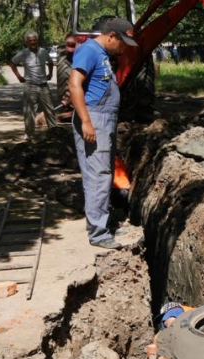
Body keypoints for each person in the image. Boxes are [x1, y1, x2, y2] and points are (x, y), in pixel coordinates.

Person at [68, 17, 137, 250]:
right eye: (123, 42)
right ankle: (98, 233)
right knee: (98, 175)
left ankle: (104, 224)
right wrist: (86, 121)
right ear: (111, 36)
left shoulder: (103, 54)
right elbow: (74, 84)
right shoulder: (89, 50)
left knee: (105, 172)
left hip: (104, 119)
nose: (125, 47)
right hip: (95, 119)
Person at [10, 31, 57, 142]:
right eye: (30, 41)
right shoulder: (23, 53)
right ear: (27, 42)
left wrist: (50, 74)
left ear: (37, 40)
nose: (33, 42)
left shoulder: (43, 52)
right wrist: (18, 76)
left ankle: (54, 133)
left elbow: (50, 62)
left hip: (43, 85)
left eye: (34, 40)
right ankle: (29, 135)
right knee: (29, 111)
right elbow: (12, 63)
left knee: (50, 109)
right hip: (30, 86)